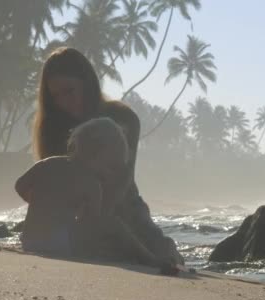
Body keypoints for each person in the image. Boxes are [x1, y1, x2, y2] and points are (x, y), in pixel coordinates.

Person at [32, 47, 183, 264]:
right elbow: (53, 183)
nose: (63, 101)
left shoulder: (122, 117)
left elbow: (124, 177)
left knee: (161, 252)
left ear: (86, 82)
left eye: (69, 91)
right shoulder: (52, 127)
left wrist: (101, 217)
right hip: (77, 210)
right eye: (56, 96)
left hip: (125, 204)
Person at [16, 117, 177, 272]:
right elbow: (95, 223)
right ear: (94, 153)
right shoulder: (91, 184)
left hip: (29, 239)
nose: (110, 175)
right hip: (58, 243)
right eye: (111, 166)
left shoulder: (48, 163)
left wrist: (41, 203)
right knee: (113, 224)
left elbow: (20, 185)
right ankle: (149, 258)